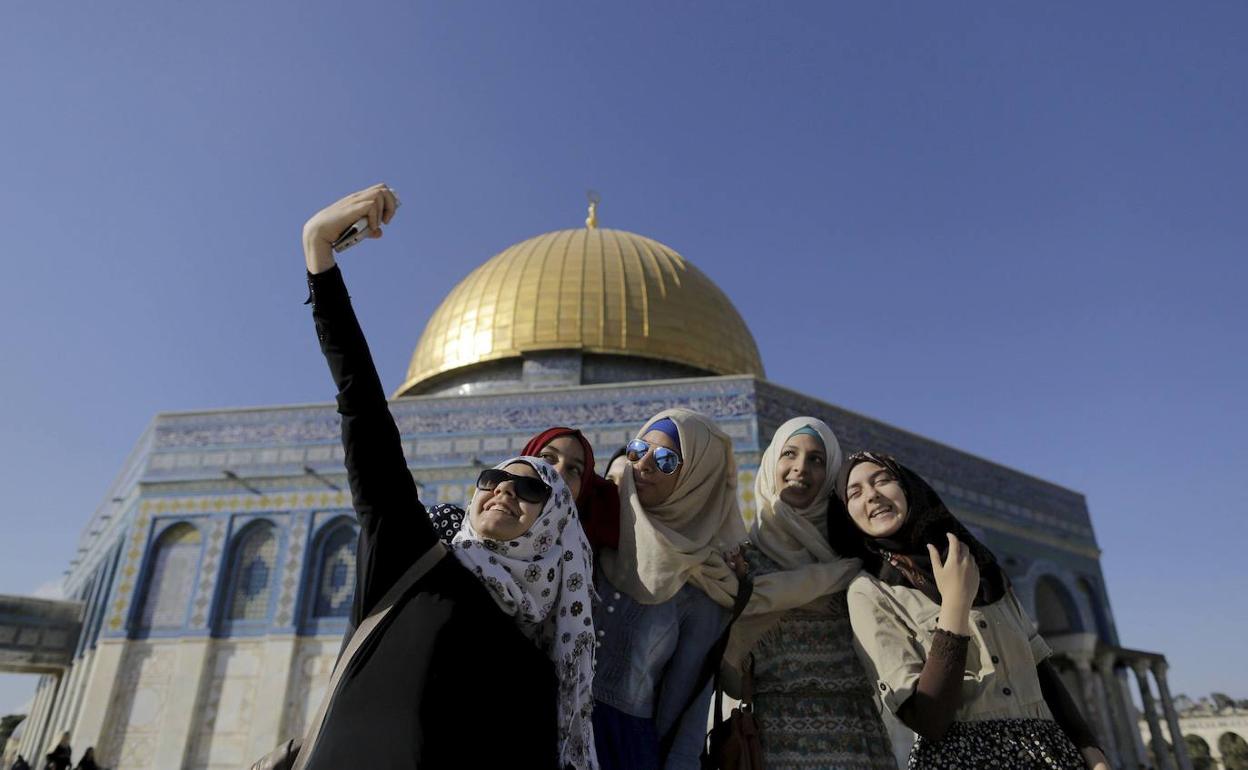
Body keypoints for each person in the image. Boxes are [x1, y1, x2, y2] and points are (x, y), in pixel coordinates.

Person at [296, 183, 588, 768]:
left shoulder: (535, 670)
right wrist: (319, 259)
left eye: (530, 488)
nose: (504, 489)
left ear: (553, 524)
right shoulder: (412, 557)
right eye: (491, 479)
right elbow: (365, 412)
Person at [831, 451, 1110, 770]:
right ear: (847, 513)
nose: (872, 495)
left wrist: (1091, 749)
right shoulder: (870, 593)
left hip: (1052, 754)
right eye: (855, 493)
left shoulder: (980, 568)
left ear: (908, 488)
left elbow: (1041, 672)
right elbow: (929, 719)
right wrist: (955, 604)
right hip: (962, 759)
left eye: (882, 480)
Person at [724, 417, 895, 769]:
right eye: (790, 453)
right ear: (772, 463)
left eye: (817, 459)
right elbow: (728, 674)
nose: (801, 468)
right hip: (774, 741)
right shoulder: (741, 561)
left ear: (831, 472)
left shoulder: (854, 555)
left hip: (857, 739)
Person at [591, 409, 747, 770]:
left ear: (698, 478)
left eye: (665, 460)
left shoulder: (704, 585)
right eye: (637, 449)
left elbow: (686, 720)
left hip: (623, 750)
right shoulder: (587, 540)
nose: (643, 465)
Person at [429, 427, 620, 552]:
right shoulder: (446, 528)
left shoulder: (576, 572)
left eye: (574, 469)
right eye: (547, 458)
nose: (558, 472)